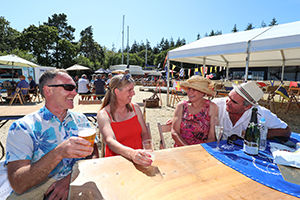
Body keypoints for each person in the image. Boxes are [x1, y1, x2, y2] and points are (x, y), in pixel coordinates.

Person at [5, 69, 99, 199]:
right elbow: (18, 184)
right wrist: (59, 152)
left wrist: (69, 180)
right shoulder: (23, 127)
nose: (75, 93)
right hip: (40, 191)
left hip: (78, 182)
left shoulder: (81, 119)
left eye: (75, 88)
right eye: (68, 87)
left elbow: (94, 152)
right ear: (48, 91)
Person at [97, 74, 152, 166]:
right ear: (117, 92)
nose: (133, 93)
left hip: (139, 161)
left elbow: (144, 133)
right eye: (130, 90)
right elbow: (110, 141)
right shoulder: (103, 114)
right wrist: (132, 154)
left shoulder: (136, 108)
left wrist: (145, 150)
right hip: (116, 164)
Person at [211, 81, 291, 140]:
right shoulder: (215, 105)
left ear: (247, 107)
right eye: (229, 97)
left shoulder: (261, 113)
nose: (227, 102)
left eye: (234, 102)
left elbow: (286, 131)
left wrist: (257, 134)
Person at [171, 76, 218, 147]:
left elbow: (212, 136)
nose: (189, 92)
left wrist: (204, 151)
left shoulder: (212, 107)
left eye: (194, 90)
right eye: (189, 89)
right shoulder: (181, 106)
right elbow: (174, 132)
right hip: (182, 149)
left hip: (202, 149)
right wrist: (188, 148)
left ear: (202, 93)